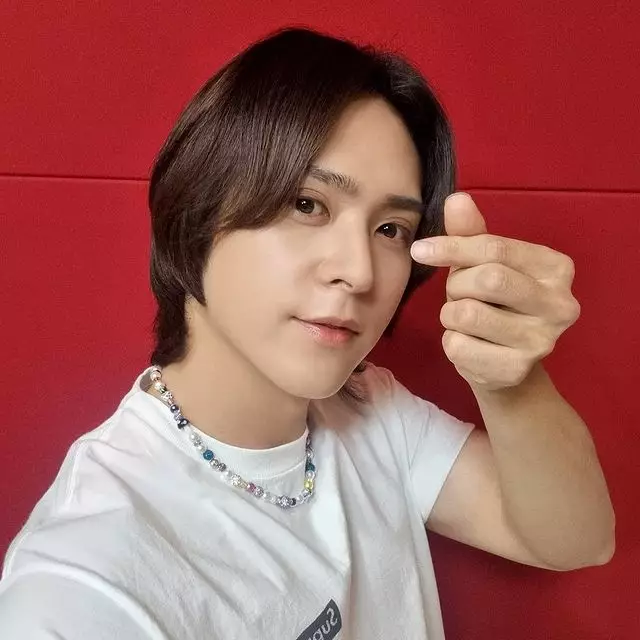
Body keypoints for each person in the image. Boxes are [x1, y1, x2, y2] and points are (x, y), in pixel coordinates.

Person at [0, 26, 615, 639]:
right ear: (198, 208)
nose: (360, 272)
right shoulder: (83, 583)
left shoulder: (372, 409)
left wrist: (507, 378)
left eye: (391, 229)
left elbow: (576, 540)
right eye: (307, 204)